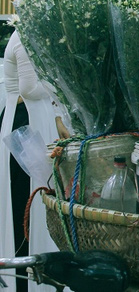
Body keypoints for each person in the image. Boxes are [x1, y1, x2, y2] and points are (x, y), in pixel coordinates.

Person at [0, 30, 71, 292]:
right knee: (27, 203)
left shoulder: (36, 33)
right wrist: (65, 80)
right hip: (25, 127)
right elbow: (29, 88)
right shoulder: (26, 35)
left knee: (38, 200)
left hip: (32, 122)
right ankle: (24, 279)